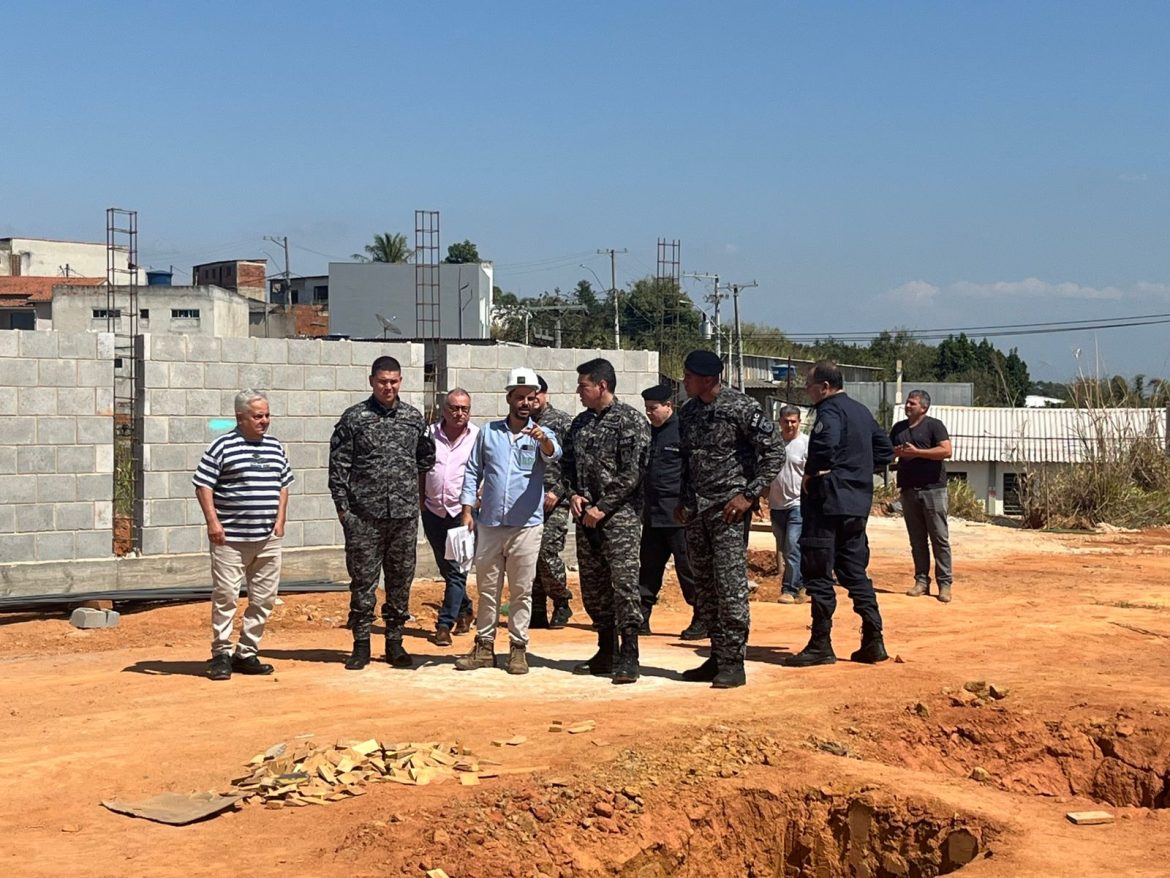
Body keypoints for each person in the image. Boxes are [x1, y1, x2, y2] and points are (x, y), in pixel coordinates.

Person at [676, 350, 784, 689]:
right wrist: (682, 498)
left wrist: (749, 494)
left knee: (730, 587)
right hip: (697, 511)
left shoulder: (742, 407)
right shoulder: (689, 411)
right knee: (705, 586)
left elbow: (774, 452)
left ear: (708, 379)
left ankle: (734, 662)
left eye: (689, 376)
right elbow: (685, 458)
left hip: (728, 511)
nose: (684, 381)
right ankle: (717, 654)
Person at [329, 356, 436, 671]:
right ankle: (361, 644)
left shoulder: (413, 418)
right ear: (371, 381)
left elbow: (426, 457)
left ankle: (395, 643)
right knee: (363, 581)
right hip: (364, 517)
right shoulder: (354, 418)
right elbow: (338, 466)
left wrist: (408, 492)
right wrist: (343, 510)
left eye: (394, 381)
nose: (388, 387)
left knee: (400, 580)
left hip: (403, 517)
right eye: (382, 381)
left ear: (401, 381)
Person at [786, 361, 895, 668]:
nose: (808, 392)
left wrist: (814, 474)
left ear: (824, 387)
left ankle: (821, 643)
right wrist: (857, 471)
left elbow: (824, 445)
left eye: (809, 386)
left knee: (818, 571)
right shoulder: (861, 411)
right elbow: (885, 451)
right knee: (854, 571)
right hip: (857, 504)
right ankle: (874, 640)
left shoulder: (830, 411)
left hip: (828, 502)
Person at [454, 368, 561, 676]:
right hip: (489, 524)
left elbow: (555, 454)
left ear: (537, 400)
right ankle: (484, 646)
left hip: (526, 526)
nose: (525, 403)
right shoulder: (489, 433)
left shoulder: (543, 434)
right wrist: (466, 510)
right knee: (488, 588)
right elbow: (473, 470)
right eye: (519, 398)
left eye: (530, 398)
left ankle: (518, 648)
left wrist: (544, 442)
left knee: (521, 590)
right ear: (509, 399)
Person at [193, 389, 293, 681]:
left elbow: (284, 484)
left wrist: (280, 520)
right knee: (226, 596)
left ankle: (246, 652)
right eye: (258, 416)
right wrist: (213, 522)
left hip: (267, 539)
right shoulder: (222, 447)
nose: (265, 421)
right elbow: (203, 485)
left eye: (267, 415)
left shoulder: (275, 447)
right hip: (231, 540)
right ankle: (221, 654)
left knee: (263, 598)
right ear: (240, 418)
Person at [562, 358, 650, 684]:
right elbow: (567, 466)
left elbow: (634, 472)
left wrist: (604, 506)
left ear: (601, 386)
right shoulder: (580, 424)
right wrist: (572, 494)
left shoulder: (630, 422)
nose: (578, 392)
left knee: (624, 585)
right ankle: (605, 649)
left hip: (620, 519)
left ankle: (630, 653)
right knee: (594, 586)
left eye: (583, 386)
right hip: (587, 520)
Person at [638, 383, 704, 640]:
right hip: (652, 514)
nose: (649, 414)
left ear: (669, 406)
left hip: (679, 515)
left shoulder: (684, 432)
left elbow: (693, 473)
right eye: (646, 410)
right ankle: (642, 617)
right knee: (649, 569)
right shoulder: (648, 434)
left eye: (653, 408)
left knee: (688, 569)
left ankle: (702, 618)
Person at [420, 388, 479, 647]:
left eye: (464, 408)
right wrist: (420, 500)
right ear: (444, 410)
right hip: (433, 511)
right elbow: (420, 467)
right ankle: (465, 608)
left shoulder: (478, 437)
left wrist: (477, 500)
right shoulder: (429, 434)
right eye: (454, 408)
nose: (459, 413)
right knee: (447, 568)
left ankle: (445, 624)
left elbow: (487, 471)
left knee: (456, 571)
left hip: (462, 513)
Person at [890, 390, 954, 602]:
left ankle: (944, 584)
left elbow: (946, 451)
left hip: (933, 489)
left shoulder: (934, 426)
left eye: (912, 403)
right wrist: (897, 453)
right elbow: (889, 453)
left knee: (939, 538)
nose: (908, 406)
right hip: (908, 490)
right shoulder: (898, 428)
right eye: (908, 403)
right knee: (917, 540)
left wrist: (917, 452)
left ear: (924, 408)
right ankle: (921, 581)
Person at [528, 374, 575, 630]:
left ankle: (561, 601)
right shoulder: (521, 421)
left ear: (545, 394)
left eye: (536, 397)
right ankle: (536, 609)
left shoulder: (561, 421)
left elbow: (572, 462)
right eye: (527, 398)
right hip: (528, 499)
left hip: (555, 498)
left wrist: (557, 492)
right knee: (529, 555)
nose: (532, 402)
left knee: (547, 551)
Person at [769, 405, 808, 604]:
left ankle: (789, 589)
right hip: (776, 505)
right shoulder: (773, 444)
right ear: (780, 422)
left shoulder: (806, 443)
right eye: (786, 421)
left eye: (793, 421)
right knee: (785, 547)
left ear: (799, 422)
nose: (790, 425)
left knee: (793, 546)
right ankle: (802, 584)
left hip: (797, 504)